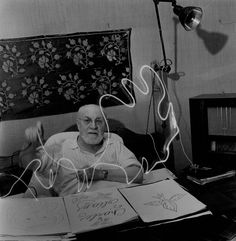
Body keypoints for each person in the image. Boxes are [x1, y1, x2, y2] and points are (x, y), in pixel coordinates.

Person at [19, 104, 143, 197]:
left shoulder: (115, 145)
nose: (93, 126)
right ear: (78, 125)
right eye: (87, 120)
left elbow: (137, 175)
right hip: (80, 211)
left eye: (99, 121)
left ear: (105, 126)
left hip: (120, 202)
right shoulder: (60, 149)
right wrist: (30, 143)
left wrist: (99, 174)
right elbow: (28, 163)